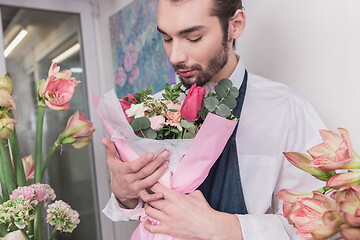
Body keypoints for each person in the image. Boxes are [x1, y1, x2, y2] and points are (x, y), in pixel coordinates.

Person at [102, 0, 326, 239]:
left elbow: (320, 223)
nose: (176, 56)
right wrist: (124, 195)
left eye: (194, 37)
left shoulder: (286, 110)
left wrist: (223, 227)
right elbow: (140, 211)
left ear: (235, 26)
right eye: (167, 39)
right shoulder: (153, 111)